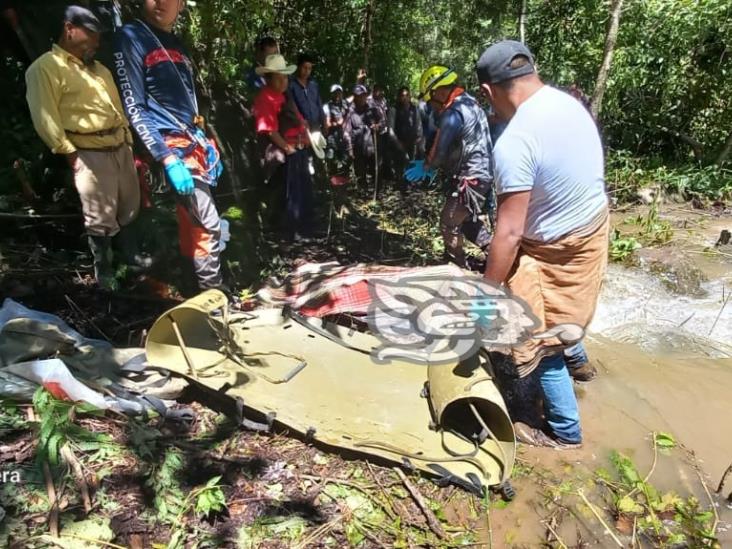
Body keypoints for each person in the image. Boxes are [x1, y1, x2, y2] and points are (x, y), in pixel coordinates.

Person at [476, 40, 609, 447]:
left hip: (556, 250)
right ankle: (581, 364)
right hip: (591, 232)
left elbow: (510, 233)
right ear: (531, 73)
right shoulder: (569, 105)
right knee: (565, 310)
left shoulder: (515, 141)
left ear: (488, 91)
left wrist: (483, 301)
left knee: (542, 336)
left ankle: (566, 435)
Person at [25, 6, 146, 290]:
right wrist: (69, 153)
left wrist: (127, 138)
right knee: (99, 216)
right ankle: (104, 273)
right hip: (88, 151)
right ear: (69, 29)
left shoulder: (99, 69)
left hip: (118, 145)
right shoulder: (45, 68)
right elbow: (45, 116)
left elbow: (117, 106)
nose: (96, 42)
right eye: (91, 35)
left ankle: (131, 262)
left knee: (129, 207)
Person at [113, 0, 225, 292]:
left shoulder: (177, 44)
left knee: (193, 223)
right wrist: (166, 157)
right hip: (170, 147)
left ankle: (194, 289)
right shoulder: (131, 36)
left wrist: (205, 139)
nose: (160, 2)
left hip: (193, 143)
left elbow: (187, 101)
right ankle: (213, 294)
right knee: (208, 222)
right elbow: (134, 107)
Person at [405, 65, 494, 268]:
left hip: (472, 177)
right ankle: (495, 256)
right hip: (482, 173)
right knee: (466, 219)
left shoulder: (453, 113)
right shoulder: (470, 102)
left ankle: (458, 268)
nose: (432, 105)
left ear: (439, 91)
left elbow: (440, 150)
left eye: (430, 98)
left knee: (448, 221)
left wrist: (427, 166)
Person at [253, 54, 313, 240]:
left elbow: (299, 119)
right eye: (279, 77)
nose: (283, 81)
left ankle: (301, 227)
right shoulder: (265, 98)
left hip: (298, 148)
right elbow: (269, 130)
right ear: (268, 79)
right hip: (282, 153)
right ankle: (287, 232)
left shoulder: (285, 96)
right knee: (288, 193)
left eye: (285, 77)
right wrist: (288, 149)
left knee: (301, 191)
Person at [343, 84, 384, 188]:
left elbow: (383, 121)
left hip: (372, 147)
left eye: (363, 95)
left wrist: (378, 126)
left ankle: (376, 194)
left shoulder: (373, 109)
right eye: (359, 96)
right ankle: (363, 194)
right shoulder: (350, 112)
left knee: (376, 173)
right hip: (358, 149)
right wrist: (350, 149)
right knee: (361, 175)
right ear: (355, 97)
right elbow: (346, 132)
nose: (361, 98)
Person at [289, 52, 324, 132]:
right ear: (298, 67)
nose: (307, 71)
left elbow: (319, 104)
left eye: (309, 68)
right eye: (304, 67)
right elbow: (291, 106)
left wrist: (324, 122)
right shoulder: (291, 85)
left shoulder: (313, 85)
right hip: (300, 126)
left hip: (316, 125)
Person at [389, 87, 423, 164]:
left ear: (409, 96)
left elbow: (419, 125)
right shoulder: (394, 109)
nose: (405, 97)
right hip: (398, 145)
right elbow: (390, 130)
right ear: (399, 97)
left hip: (412, 144)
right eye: (402, 95)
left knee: (411, 166)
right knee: (399, 167)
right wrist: (398, 144)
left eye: (407, 95)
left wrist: (419, 139)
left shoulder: (415, 109)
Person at [323, 84, 350, 180]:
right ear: (332, 94)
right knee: (331, 158)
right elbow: (327, 124)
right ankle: (331, 180)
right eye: (335, 93)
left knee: (346, 159)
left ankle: (344, 181)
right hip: (332, 136)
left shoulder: (345, 104)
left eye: (339, 93)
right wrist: (338, 123)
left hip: (344, 136)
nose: (337, 95)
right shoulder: (327, 106)